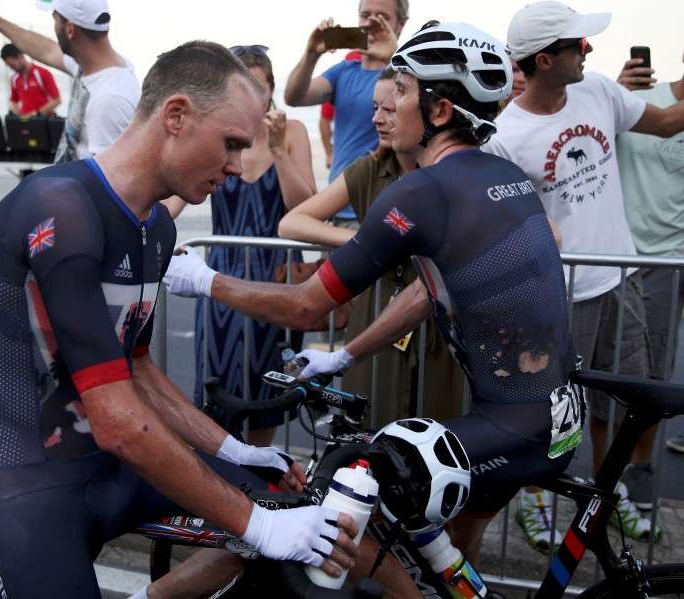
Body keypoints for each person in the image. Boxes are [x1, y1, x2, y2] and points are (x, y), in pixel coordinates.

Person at [0, 41, 376, 599]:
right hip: (26, 479)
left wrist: (237, 452)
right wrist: (263, 524)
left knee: (288, 506)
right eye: (230, 143)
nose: (235, 165)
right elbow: (118, 419)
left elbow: (140, 370)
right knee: (265, 525)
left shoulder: (158, 228)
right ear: (175, 115)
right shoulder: (60, 208)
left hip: (111, 464)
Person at [165, 21, 581, 564]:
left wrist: (202, 280)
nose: (382, 109)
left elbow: (309, 303)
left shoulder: (424, 190)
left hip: (510, 426)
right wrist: (345, 353)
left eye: (402, 91)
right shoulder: (503, 176)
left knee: (340, 515)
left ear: (438, 112)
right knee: (449, 558)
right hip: (554, 417)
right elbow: (429, 294)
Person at [484, 0, 684, 545]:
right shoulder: (505, 137)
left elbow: (666, 122)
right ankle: (539, 499)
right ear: (545, 61)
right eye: (579, 45)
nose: (589, 51)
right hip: (557, 299)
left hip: (623, 282)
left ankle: (606, 492)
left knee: (622, 402)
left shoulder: (597, 90)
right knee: (551, 411)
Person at [278, 68, 465, 425]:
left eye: (391, 109)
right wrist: (368, 241)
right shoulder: (370, 170)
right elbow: (292, 222)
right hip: (376, 322)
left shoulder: (459, 172)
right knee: (369, 429)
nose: (378, 119)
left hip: (439, 330)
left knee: (440, 431)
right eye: (375, 108)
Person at [162, 45, 316, 447]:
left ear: (271, 90)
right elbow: (175, 198)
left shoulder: (294, 131)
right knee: (219, 381)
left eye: (260, 86)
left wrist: (280, 150)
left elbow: (305, 207)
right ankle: (223, 475)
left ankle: (262, 479)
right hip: (221, 278)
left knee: (268, 387)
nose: (252, 95)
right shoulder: (219, 135)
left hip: (276, 278)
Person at [615, 54, 684, 462]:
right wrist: (616, 93)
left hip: (668, 264)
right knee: (601, 378)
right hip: (612, 261)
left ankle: (639, 477)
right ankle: (602, 485)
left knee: (653, 377)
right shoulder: (640, 98)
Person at [285, 0, 408, 226]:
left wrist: (393, 56)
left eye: (382, 17)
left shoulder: (402, 78)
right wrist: (311, 54)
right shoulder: (344, 72)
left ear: (400, 24)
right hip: (338, 205)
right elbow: (294, 97)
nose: (370, 22)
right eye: (365, 15)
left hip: (383, 209)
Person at [0, 0, 139, 162]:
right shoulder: (89, 66)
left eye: (55, 19)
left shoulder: (109, 99)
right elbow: (46, 50)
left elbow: (111, 185)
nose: (55, 27)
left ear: (70, 29)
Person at [0, 43, 61, 117]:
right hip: (25, 123)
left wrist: (35, 114)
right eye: (9, 66)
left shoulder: (42, 73)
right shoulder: (14, 79)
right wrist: (16, 116)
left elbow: (57, 100)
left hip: (43, 122)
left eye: (12, 65)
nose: (11, 68)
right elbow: (14, 101)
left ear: (20, 56)